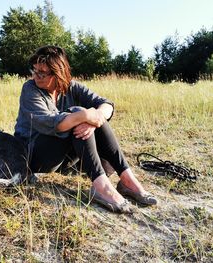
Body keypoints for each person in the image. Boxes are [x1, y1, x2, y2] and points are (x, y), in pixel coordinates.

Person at [14, 45, 157, 213]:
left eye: (42, 73)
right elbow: (49, 123)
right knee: (79, 113)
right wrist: (84, 116)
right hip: (34, 154)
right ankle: (102, 188)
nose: (35, 76)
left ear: (58, 73)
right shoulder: (30, 89)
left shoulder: (72, 87)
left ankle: (127, 180)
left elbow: (107, 105)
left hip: (64, 158)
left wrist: (95, 117)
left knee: (94, 117)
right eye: (34, 70)